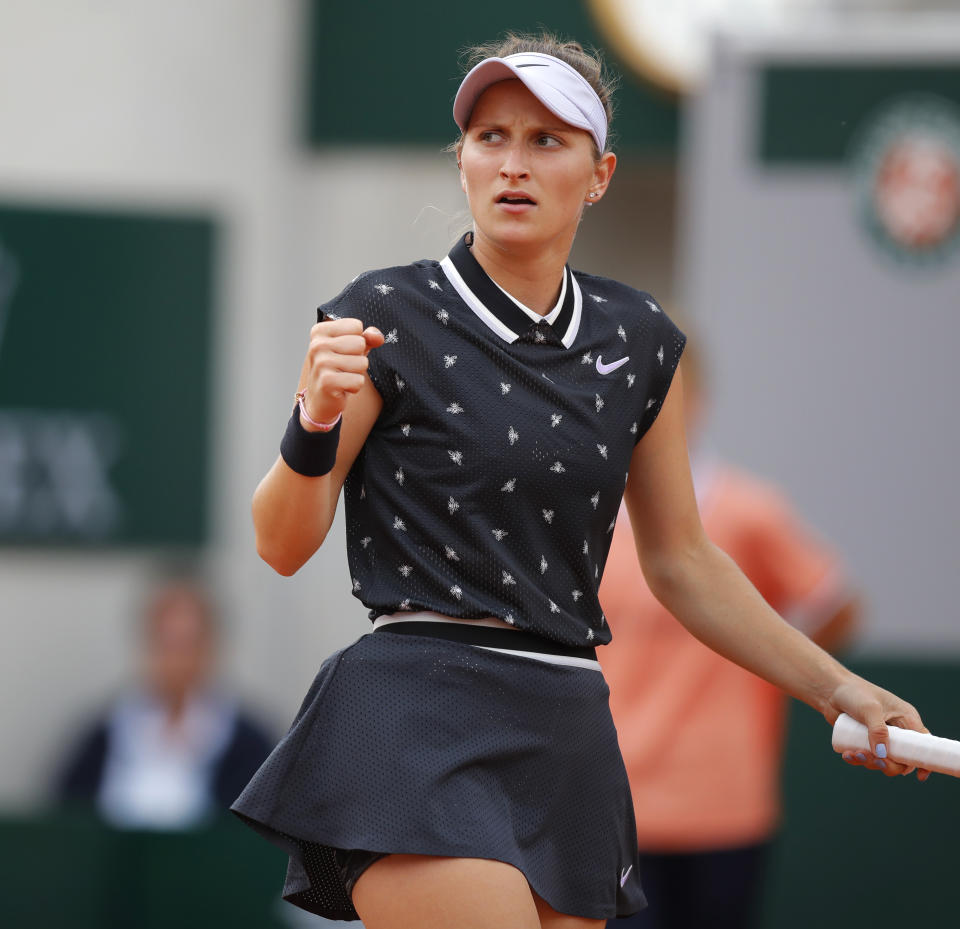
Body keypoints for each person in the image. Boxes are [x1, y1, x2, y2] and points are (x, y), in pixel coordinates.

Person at [231, 32, 928, 929]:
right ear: (464, 161)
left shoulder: (639, 338)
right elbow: (281, 544)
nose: (512, 164)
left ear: (598, 174)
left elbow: (684, 561)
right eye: (491, 139)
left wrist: (839, 687)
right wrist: (313, 421)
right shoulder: (380, 314)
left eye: (546, 141)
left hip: (566, 727)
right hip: (414, 714)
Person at [600, 341, 859, 929]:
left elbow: (835, 604)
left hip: (727, 798)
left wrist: (776, 662)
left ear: (699, 399)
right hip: (614, 800)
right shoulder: (585, 514)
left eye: (666, 394)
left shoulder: (750, 512)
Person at [55, 577, 274, 830]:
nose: (177, 661)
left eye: (188, 645)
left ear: (212, 647)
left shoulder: (250, 748)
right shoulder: (102, 737)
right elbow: (67, 819)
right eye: (167, 644)